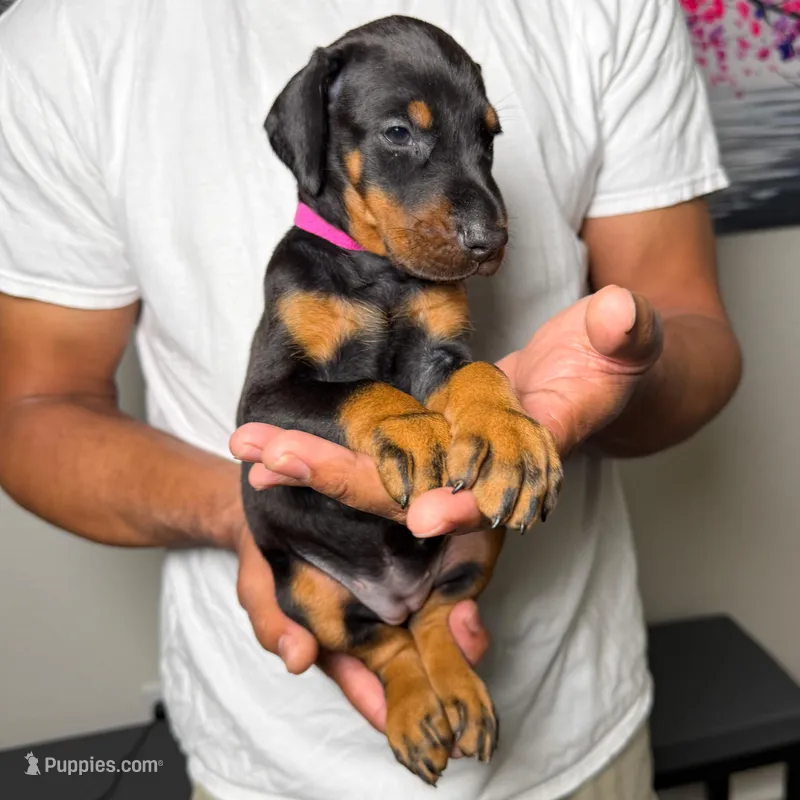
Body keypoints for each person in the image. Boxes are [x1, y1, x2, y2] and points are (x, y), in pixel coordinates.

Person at [0, 0, 742, 798]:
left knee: (470, 402)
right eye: (400, 136)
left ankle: (437, 632)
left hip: (575, 718)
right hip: (267, 738)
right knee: (321, 588)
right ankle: (392, 658)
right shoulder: (67, 37)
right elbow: (45, 407)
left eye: (480, 142)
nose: (484, 225)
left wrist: (565, 389)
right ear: (313, 137)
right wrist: (250, 516)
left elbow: (459, 365)